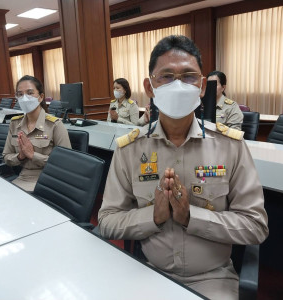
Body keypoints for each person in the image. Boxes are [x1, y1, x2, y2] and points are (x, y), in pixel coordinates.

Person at [98, 36, 268, 300]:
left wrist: (191, 217)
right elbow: (107, 220)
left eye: (189, 76)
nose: (178, 85)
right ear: (150, 87)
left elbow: (256, 226)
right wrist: (154, 217)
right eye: (166, 76)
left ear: (201, 87)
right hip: (146, 273)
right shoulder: (129, 149)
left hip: (213, 279)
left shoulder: (230, 146)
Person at [3, 75, 71, 192]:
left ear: (41, 97)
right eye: (20, 94)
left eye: (30, 93)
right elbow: (6, 156)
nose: (24, 98)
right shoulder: (15, 123)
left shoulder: (54, 125)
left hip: (48, 179)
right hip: (22, 177)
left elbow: (65, 163)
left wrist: (32, 155)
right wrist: (20, 156)